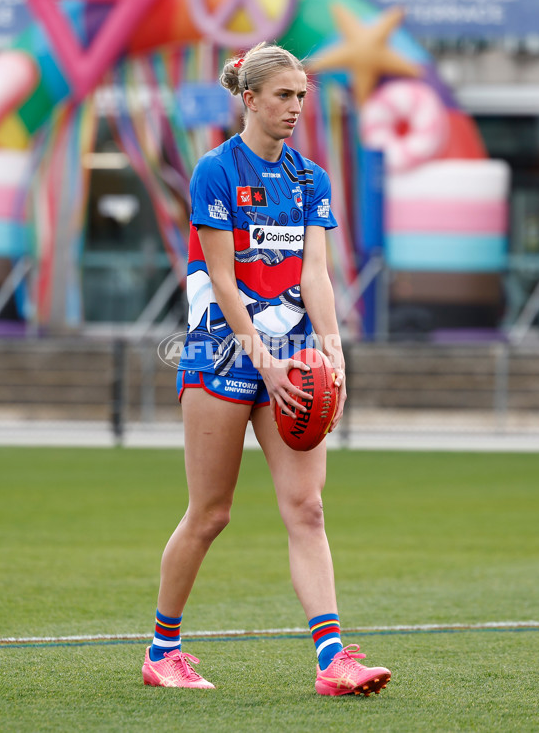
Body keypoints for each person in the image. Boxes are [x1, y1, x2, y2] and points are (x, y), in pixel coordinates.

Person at [142, 42, 391, 696]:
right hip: (223, 348)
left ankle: (333, 661)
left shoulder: (311, 178)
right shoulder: (215, 171)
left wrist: (332, 348)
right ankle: (161, 650)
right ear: (248, 98)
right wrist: (262, 360)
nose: (296, 108)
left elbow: (315, 272)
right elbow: (222, 281)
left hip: (295, 354)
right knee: (211, 513)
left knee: (307, 509)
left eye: (303, 96)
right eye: (284, 95)